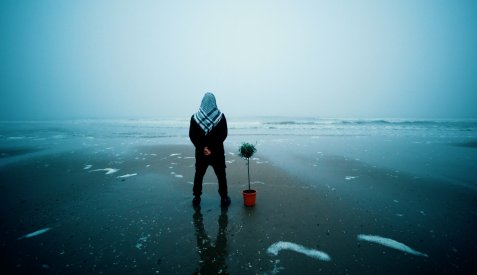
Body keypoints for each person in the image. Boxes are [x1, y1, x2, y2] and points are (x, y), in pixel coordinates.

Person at [189, 92, 231, 207]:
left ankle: (196, 198)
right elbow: (224, 134)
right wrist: (211, 148)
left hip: (201, 153)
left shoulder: (195, 118)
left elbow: (192, 136)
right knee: (221, 175)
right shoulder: (220, 117)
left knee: (199, 175)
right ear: (214, 102)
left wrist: (203, 148)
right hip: (217, 153)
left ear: (202, 102)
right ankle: (224, 198)